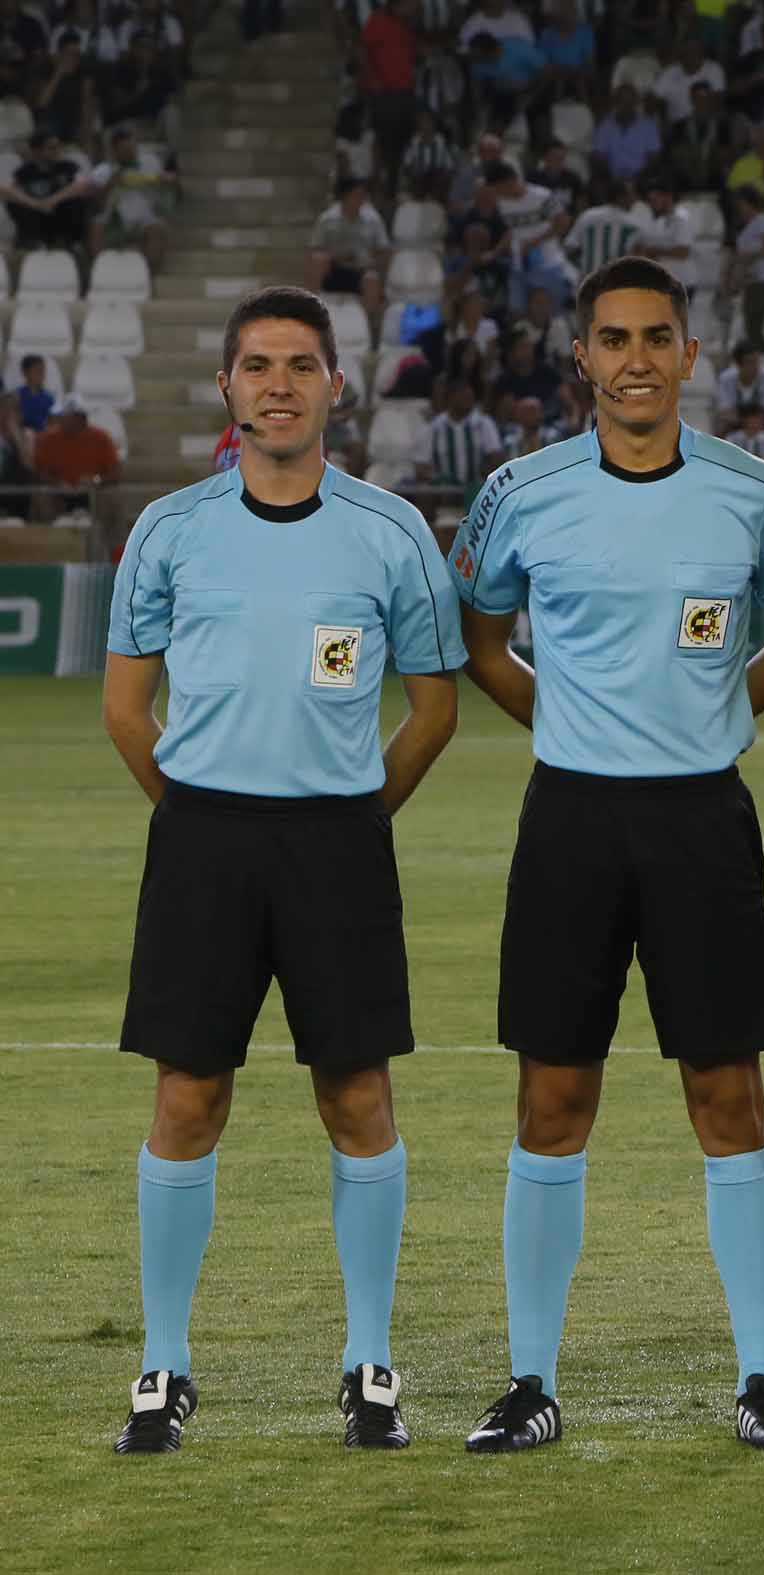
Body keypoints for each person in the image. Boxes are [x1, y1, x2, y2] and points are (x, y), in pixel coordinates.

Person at [446, 257, 764, 1453]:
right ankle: (528, 1381)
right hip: (570, 818)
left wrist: (721, 709)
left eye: (656, 338)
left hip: (701, 820)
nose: (635, 361)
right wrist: (560, 723)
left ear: (690, 355)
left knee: (728, 1094)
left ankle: (762, 1379)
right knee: (553, 1096)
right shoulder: (522, 490)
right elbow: (476, 629)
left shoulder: (751, 492)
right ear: (582, 359)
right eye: (612, 340)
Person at [101, 286, 461, 1453]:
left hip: (336, 846)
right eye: (256, 366)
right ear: (226, 387)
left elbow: (435, 704)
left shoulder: (391, 531)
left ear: (336, 387)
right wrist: (201, 815)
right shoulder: (170, 528)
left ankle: (369, 1362)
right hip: (203, 840)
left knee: (355, 1099)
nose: (278, 385)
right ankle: (163, 1365)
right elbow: (124, 705)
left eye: (300, 365)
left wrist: (356, 815)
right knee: (186, 1100)